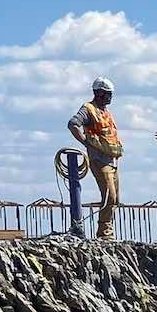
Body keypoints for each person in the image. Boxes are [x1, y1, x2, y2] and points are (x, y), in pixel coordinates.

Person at [66, 77, 125, 239]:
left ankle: (107, 230)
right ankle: (105, 233)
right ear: (98, 93)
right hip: (99, 159)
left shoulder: (105, 112)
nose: (109, 97)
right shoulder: (88, 109)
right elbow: (73, 124)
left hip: (112, 160)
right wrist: (86, 143)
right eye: (107, 94)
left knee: (115, 199)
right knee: (109, 196)